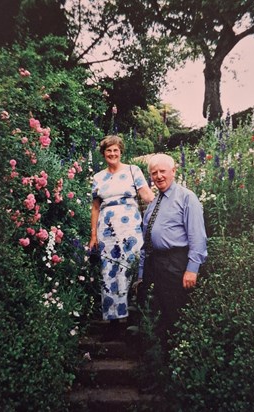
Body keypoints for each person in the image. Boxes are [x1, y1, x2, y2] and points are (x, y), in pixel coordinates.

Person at [137, 153, 207, 350]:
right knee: (156, 315)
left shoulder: (186, 198)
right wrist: (142, 274)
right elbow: (147, 240)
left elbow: (198, 237)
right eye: (154, 173)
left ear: (173, 171)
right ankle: (158, 362)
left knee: (174, 314)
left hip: (175, 263)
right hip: (154, 264)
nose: (158, 176)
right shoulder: (153, 203)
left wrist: (192, 268)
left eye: (162, 171)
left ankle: (176, 362)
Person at [89, 135, 154, 339]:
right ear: (103, 154)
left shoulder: (133, 171)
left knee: (132, 270)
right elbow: (95, 207)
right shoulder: (98, 177)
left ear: (121, 151)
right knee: (109, 272)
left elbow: (148, 197)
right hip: (107, 231)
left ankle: (133, 322)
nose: (112, 154)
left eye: (116, 150)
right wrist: (93, 236)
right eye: (108, 151)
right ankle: (113, 324)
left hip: (131, 231)